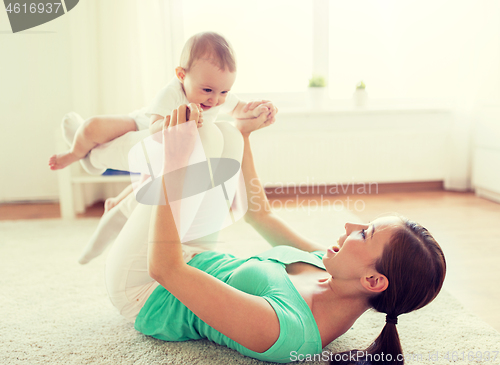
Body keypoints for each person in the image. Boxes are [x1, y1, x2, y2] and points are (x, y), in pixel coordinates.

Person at [103, 104, 446, 364]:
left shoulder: (289, 332)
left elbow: (165, 269)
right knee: (222, 134)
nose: (349, 227)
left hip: (149, 288)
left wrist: (171, 169)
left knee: (199, 140)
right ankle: (121, 194)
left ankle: (95, 154)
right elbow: (259, 215)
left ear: (373, 281)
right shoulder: (330, 271)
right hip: (195, 254)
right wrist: (245, 136)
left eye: (365, 234)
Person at [48, 31, 273, 172]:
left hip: (173, 154)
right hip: (139, 125)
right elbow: (154, 126)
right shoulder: (172, 93)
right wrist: (174, 122)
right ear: (182, 75)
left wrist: (258, 110)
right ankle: (75, 153)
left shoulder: (218, 96)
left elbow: (239, 110)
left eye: (224, 91)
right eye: (207, 90)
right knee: (92, 127)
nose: (215, 99)